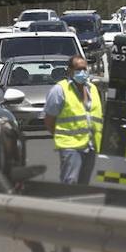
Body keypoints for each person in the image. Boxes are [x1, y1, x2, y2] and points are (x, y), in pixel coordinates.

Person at [42, 55, 102, 185]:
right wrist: (62, 136)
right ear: (70, 71)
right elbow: (49, 120)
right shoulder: (60, 90)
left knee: (84, 184)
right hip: (70, 146)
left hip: (90, 145)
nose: (82, 72)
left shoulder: (92, 89)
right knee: (70, 182)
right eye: (78, 69)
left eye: (84, 69)